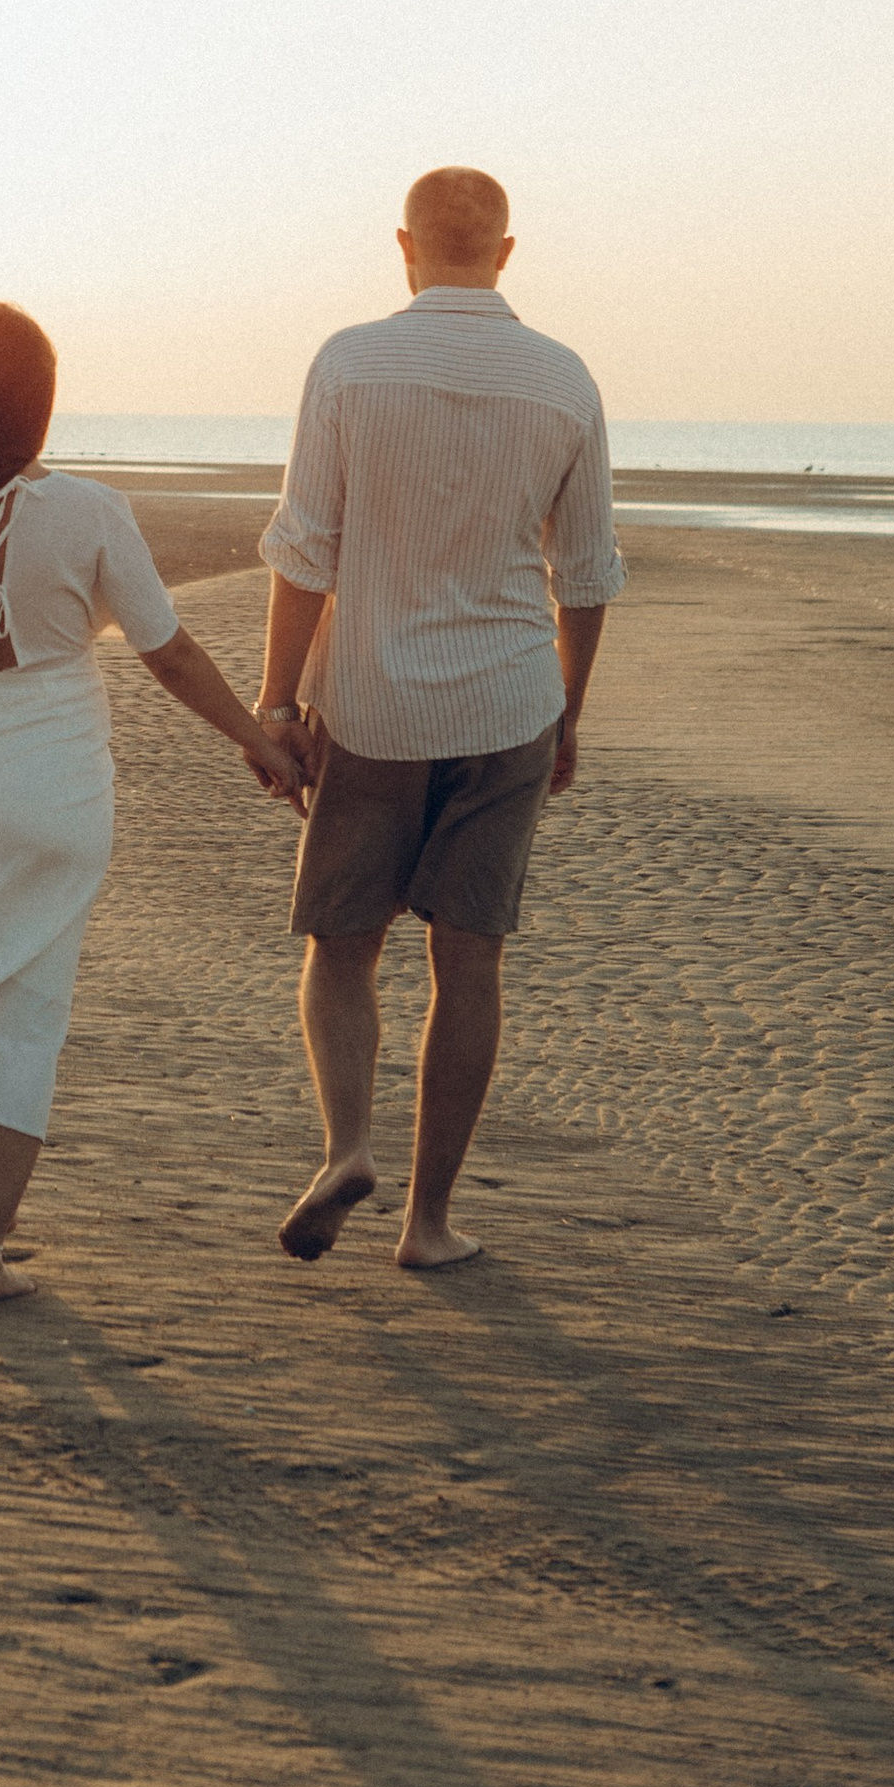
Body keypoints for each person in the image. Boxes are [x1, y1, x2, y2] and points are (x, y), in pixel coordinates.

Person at [0, 302, 312, 1309]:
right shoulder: (89, 510)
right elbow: (167, 653)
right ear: (40, 403)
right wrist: (259, 743)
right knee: (24, 1018)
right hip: (51, 788)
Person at [252, 169, 624, 1272]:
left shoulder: (350, 360)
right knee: (470, 960)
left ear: (403, 246)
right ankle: (428, 1225)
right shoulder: (564, 379)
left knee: (341, 945)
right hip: (509, 696)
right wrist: (566, 715)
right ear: (506, 254)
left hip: (369, 699)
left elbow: (303, 548)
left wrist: (277, 701)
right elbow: (589, 571)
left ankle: (346, 1147)